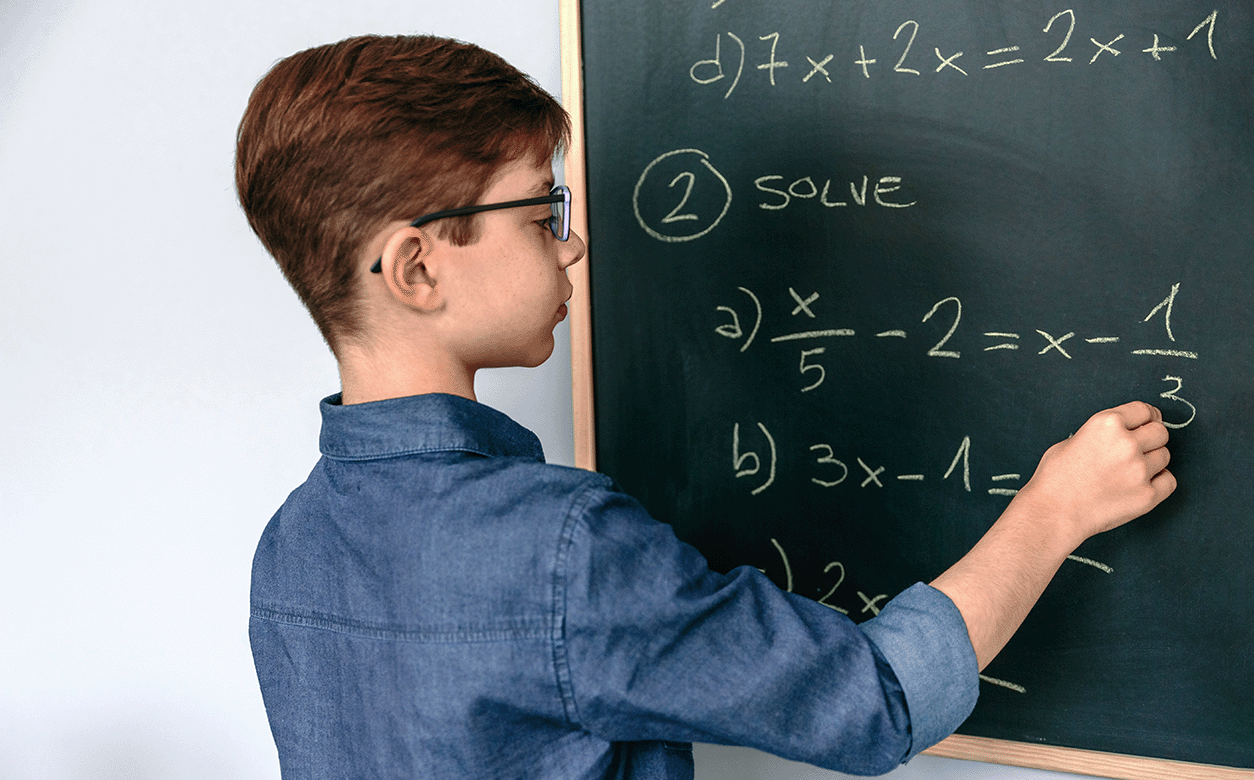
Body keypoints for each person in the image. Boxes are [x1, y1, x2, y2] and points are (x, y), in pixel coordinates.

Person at [236, 34, 1176, 779]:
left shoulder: (293, 544)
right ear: (418, 267)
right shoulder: (565, 551)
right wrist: (1057, 509)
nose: (572, 245)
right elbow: (876, 700)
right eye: (540, 214)